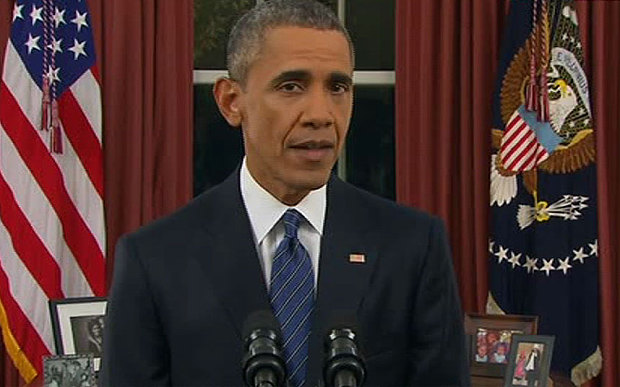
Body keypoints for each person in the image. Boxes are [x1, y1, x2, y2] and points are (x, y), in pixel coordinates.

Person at [100, 0, 469, 386]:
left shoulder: (412, 246)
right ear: (231, 101)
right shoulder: (155, 258)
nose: (321, 114)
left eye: (338, 87)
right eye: (291, 86)